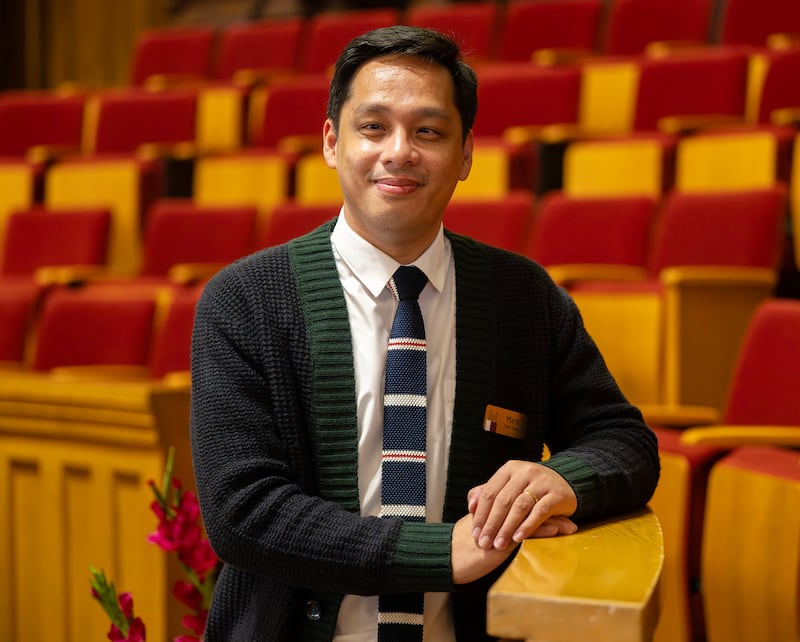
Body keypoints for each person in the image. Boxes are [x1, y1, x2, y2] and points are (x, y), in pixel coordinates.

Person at [190, 25, 660, 642]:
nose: (399, 151)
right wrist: (440, 552)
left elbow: (624, 440)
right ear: (332, 142)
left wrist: (564, 479)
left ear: (466, 154)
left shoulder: (524, 296)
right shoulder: (244, 299)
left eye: (429, 131)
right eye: (373, 127)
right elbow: (241, 512)